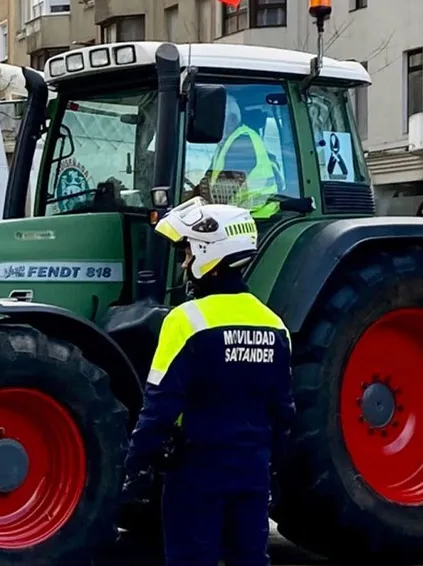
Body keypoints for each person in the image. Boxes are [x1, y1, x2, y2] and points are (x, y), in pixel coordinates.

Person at [121, 197, 295, 566]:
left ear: (207, 254)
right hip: (252, 473)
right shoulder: (274, 325)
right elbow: (284, 413)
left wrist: (134, 468)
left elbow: (160, 409)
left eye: (187, 254)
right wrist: (270, 469)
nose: (185, 264)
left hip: (196, 474)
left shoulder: (186, 321)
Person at [206, 94, 282, 220]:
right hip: (240, 214)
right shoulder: (228, 142)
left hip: (255, 217)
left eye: (213, 119)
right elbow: (210, 181)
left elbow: (222, 192)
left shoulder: (242, 142)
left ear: (231, 119)